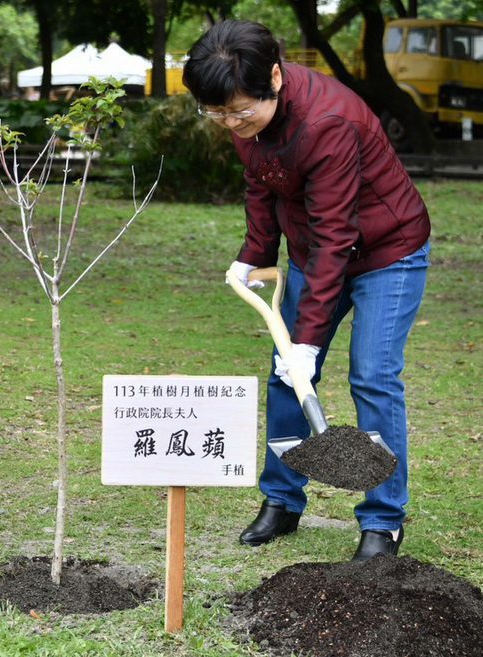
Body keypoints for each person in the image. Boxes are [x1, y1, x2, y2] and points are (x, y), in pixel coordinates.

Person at [183, 21, 430, 560]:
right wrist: (255, 255)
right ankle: (282, 499)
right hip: (315, 250)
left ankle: (382, 521)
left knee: (373, 376)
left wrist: (309, 342)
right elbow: (260, 185)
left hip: (387, 251)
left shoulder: (327, 122)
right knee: (284, 376)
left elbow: (336, 237)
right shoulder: (244, 107)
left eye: (240, 112)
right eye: (218, 113)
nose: (231, 123)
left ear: (274, 76)